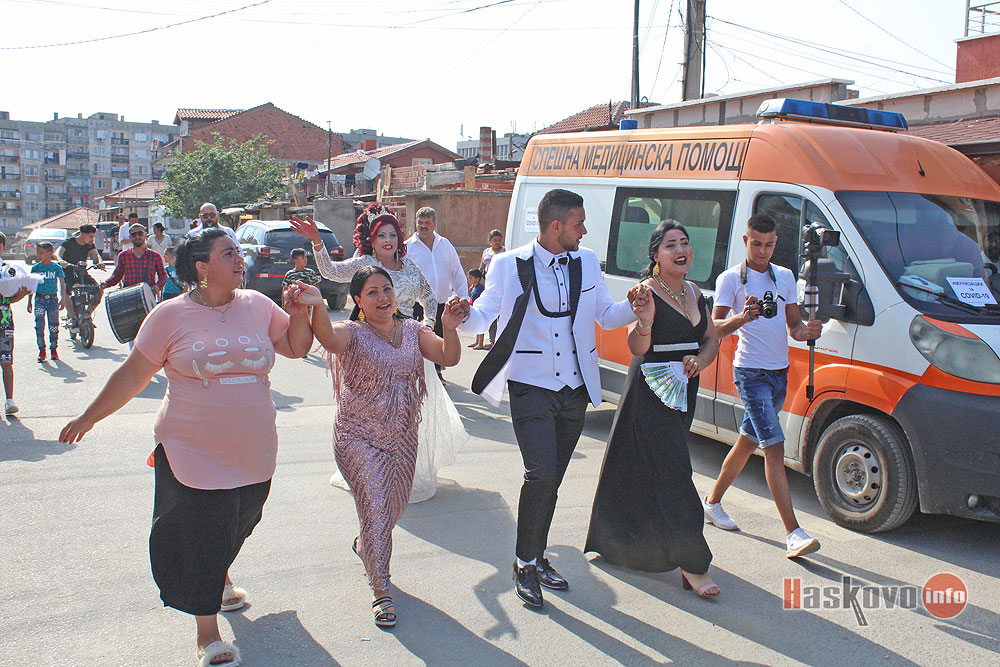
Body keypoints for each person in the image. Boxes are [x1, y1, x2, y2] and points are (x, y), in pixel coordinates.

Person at [59, 228, 314, 667]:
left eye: (239, 252)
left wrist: (299, 313)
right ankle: (207, 633)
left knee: (242, 517)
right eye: (228, 253)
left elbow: (297, 346)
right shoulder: (168, 315)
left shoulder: (257, 305)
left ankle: (220, 576)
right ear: (201, 267)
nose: (240, 260)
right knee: (204, 532)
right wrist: (89, 416)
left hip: (254, 446)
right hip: (191, 449)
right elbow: (132, 374)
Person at [447, 188, 647, 609]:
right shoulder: (509, 264)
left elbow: (606, 314)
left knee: (552, 479)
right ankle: (524, 563)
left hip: (575, 389)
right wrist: (461, 316)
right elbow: (483, 316)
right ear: (556, 226)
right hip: (530, 387)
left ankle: (537, 557)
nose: (584, 230)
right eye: (579, 223)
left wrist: (633, 305)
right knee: (540, 475)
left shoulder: (586, 261)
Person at [288, 265, 461, 628]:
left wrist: (450, 327)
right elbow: (327, 338)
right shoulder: (351, 332)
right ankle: (381, 589)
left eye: (387, 289)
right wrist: (317, 305)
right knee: (378, 508)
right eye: (372, 292)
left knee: (393, 508)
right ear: (358, 300)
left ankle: (366, 545)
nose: (383, 297)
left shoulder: (412, 330)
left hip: (403, 438)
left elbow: (448, 357)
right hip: (357, 437)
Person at [291, 205, 467, 503]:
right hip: (370, 342)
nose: (388, 240)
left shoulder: (410, 268)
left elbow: (428, 297)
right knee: (370, 406)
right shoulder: (365, 264)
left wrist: (425, 327)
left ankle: (404, 471)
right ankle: (369, 467)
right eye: (381, 235)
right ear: (370, 240)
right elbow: (330, 271)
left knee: (408, 409)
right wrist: (317, 242)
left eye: (392, 235)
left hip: (407, 342)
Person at [584, 221, 721, 596]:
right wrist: (644, 322)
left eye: (685, 243)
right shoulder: (646, 292)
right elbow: (636, 347)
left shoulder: (694, 291)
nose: (681, 250)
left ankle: (618, 541)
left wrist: (701, 360)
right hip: (650, 391)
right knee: (675, 471)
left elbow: (711, 338)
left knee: (640, 467)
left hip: (684, 390)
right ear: (656, 255)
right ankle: (694, 563)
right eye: (671, 244)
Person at [703, 213, 824, 559]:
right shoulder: (731, 279)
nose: (762, 251)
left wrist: (808, 331)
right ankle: (793, 533)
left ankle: (712, 502)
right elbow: (714, 329)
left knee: (747, 442)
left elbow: (794, 327)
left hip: (778, 374)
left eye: (769, 244)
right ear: (746, 241)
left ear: (775, 243)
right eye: (756, 244)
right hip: (750, 374)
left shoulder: (784, 276)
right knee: (774, 446)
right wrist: (743, 317)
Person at [404, 206, 469, 384]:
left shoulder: (445, 245)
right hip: (417, 305)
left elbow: (457, 272)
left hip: (441, 303)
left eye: (427, 222)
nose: (423, 226)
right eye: (420, 223)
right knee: (418, 340)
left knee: (440, 339)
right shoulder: (407, 248)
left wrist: (463, 297)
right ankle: (417, 376)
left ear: (434, 224)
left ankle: (437, 373)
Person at [1, 232, 33, 416]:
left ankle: (10, 400)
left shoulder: (9, 270)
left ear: (4, 248)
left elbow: (9, 299)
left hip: (4, 321)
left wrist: (20, 295)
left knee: (6, 360)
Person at [56, 223, 105, 326]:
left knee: (98, 290)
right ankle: (73, 318)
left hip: (82, 272)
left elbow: (96, 256)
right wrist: (61, 261)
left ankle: (87, 315)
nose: (92, 239)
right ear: (83, 235)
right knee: (66, 293)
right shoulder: (69, 242)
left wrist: (100, 262)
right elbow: (57, 253)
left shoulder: (90, 245)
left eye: (93, 237)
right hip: (68, 272)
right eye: (90, 236)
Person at [101, 223, 168, 297]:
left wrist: (158, 286)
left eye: (140, 233)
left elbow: (163, 275)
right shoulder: (123, 256)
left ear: (145, 235)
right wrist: (105, 284)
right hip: (129, 297)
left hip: (148, 297)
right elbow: (117, 276)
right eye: (134, 234)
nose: (137, 236)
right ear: (130, 237)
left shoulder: (155, 256)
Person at [28, 241, 66, 362]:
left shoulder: (56, 268)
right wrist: (29, 301)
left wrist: (63, 299)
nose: (39, 255)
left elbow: (62, 283)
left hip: (53, 300)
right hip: (39, 300)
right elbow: (31, 285)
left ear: (50, 253)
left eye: (41, 253)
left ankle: (53, 349)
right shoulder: (35, 268)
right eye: (38, 253)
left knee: (53, 325)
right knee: (39, 325)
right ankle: (41, 350)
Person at [479, 229, 505, 348]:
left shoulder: (504, 251)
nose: (497, 242)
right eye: (495, 240)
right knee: (491, 313)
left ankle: (502, 340)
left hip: (501, 285)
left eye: (499, 240)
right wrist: (476, 283)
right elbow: (481, 268)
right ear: (490, 241)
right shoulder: (486, 252)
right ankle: (492, 340)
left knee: (502, 314)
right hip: (488, 286)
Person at [467, 268, 487, 349]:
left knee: (480, 325)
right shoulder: (474, 288)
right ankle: (477, 341)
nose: (469, 280)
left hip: (480, 308)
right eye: (469, 278)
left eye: (471, 278)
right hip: (475, 308)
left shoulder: (480, 288)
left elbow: (475, 299)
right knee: (477, 325)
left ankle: (480, 343)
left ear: (477, 279)